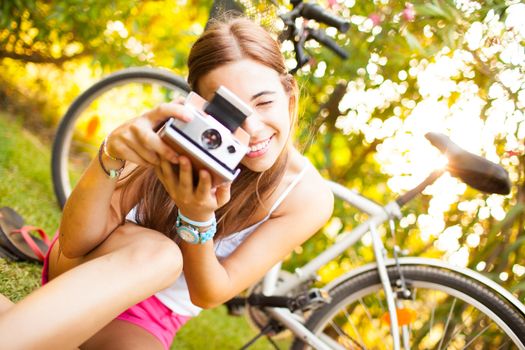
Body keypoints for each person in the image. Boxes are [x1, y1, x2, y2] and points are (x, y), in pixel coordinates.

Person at [0, 16, 333, 349]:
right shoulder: (172, 130)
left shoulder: (306, 196)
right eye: (229, 113)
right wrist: (110, 154)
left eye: (264, 102)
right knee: (163, 255)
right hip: (92, 265)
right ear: (198, 109)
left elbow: (210, 293)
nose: (253, 129)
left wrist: (197, 216)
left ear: (288, 95)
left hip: (152, 316)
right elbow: (75, 244)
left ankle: (25, 324)